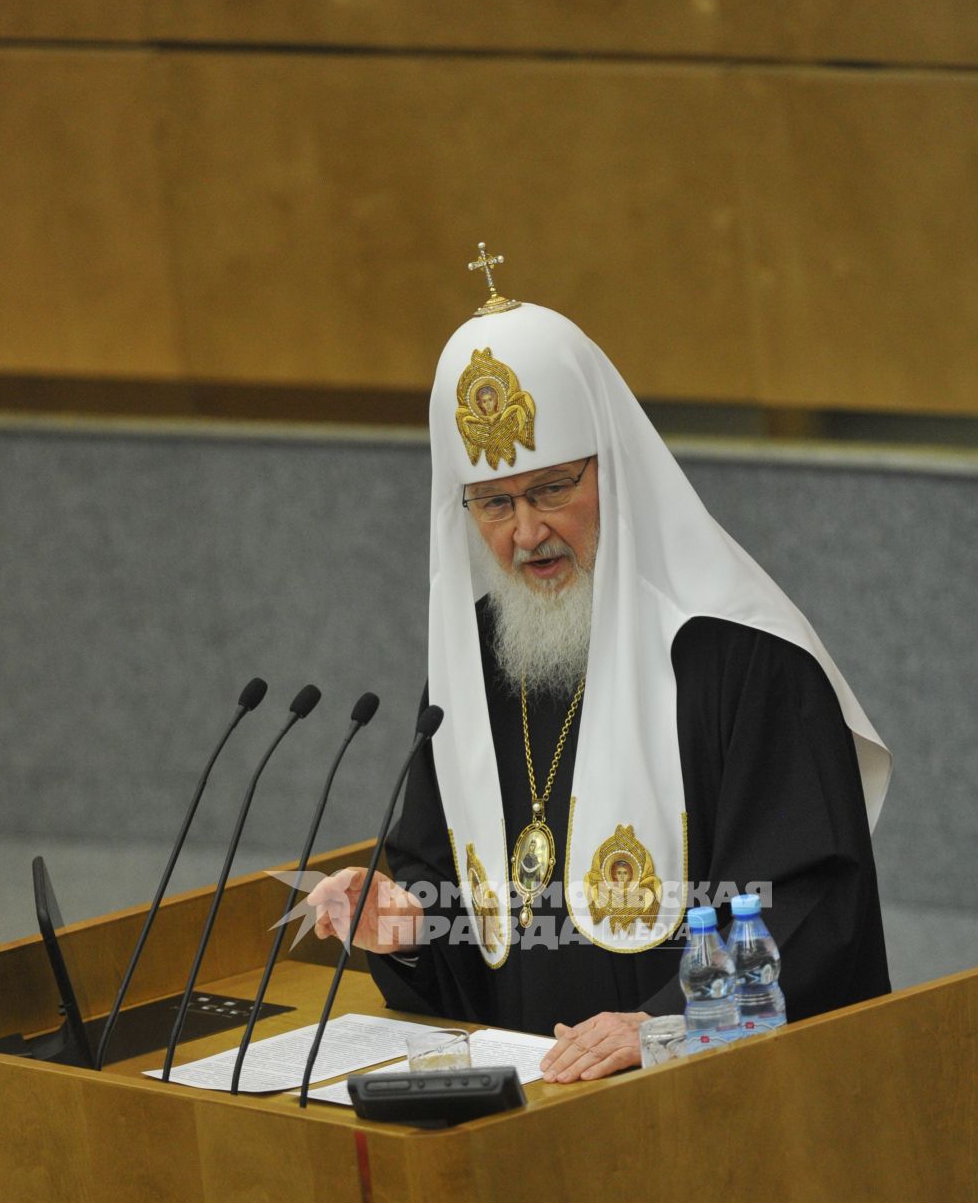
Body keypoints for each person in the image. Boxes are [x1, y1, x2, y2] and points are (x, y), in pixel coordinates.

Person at [309, 265, 892, 1083]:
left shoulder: (743, 656)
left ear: (613, 472)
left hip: (705, 1096)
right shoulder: (475, 660)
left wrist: (665, 1024)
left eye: (551, 488)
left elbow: (808, 905)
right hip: (534, 1103)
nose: (527, 533)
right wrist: (401, 929)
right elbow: (441, 893)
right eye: (494, 503)